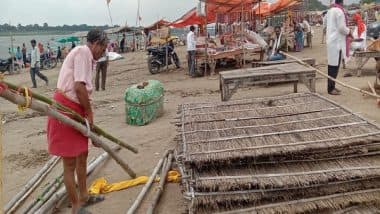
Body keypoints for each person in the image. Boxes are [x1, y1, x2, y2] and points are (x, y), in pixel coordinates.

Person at [47, 29, 108, 214]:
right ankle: (76, 207)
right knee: (70, 163)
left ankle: (84, 196)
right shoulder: (83, 52)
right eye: (103, 48)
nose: (103, 52)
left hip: (76, 108)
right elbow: (79, 86)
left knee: (82, 154)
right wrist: (89, 113)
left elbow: (82, 90)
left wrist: (88, 113)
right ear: (95, 44)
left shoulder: (89, 58)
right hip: (66, 108)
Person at [326, 0, 351, 95]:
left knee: (333, 65)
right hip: (336, 42)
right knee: (334, 67)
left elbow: (325, 24)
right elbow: (341, 28)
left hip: (332, 41)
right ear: (341, 3)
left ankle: (332, 86)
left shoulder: (330, 10)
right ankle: (330, 88)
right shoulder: (339, 11)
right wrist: (349, 32)